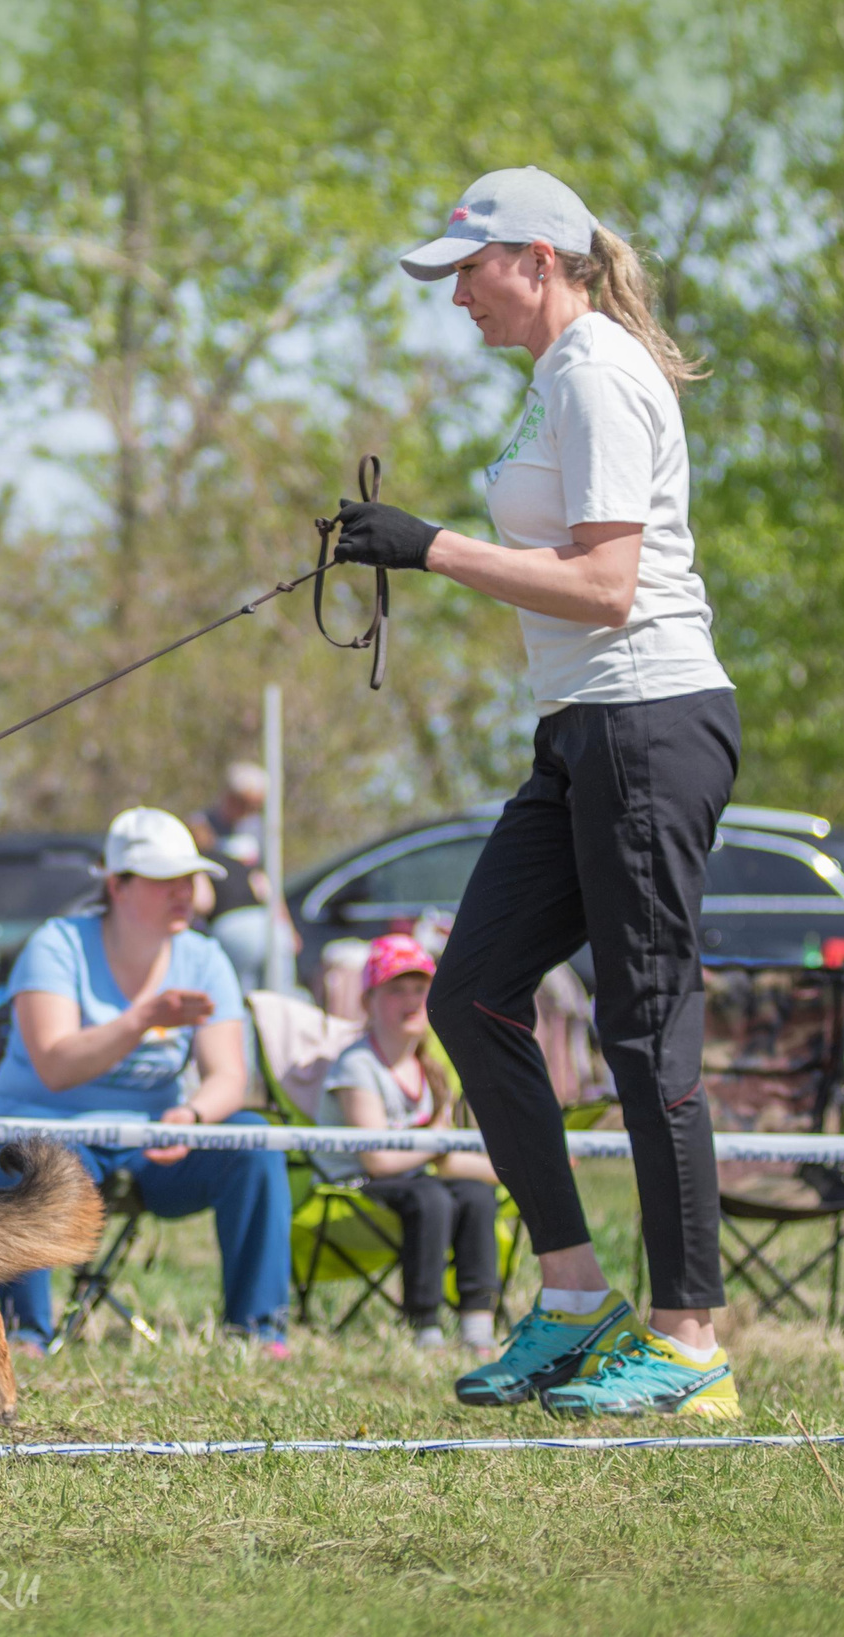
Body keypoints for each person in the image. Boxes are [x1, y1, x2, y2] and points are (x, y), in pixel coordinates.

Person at [338, 166, 741, 1417]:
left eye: (468, 268)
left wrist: (432, 547)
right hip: (579, 730)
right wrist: (424, 546)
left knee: (645, 1027)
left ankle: (691, 1344)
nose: (456, 294)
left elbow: (608, 588)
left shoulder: (596, 370)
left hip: (647, 718)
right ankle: (573, 1303)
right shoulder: (554, 375)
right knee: (470, 994)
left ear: (538, 259)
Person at [0, 807, 292, 1355]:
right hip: (45, 1132)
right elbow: (56, 1066)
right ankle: (25, 1333)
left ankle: (259, 1331)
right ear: (116, 885)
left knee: (253, 1140)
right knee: (33, 1151)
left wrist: (191, 1116)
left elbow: (228, 1076)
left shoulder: (205, 956)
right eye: (165, 879)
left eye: (190, 878)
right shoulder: (57, 944)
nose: (184, 892)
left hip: (153, 1145)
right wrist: (143, 1018)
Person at [314, 935, 500, 1352]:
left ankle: (477, 1319)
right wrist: (438, 1142)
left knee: (475, 1195)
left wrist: (520, 1172)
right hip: (352, 1187)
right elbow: (377, 1160)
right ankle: (424, 1321)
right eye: (396, 990)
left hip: (413, 1178)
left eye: (420, 989)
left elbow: (444, 1158)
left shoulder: (431, 1067)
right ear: (368, 1002)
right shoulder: (357, 1065)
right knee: (431, 1197)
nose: (412, 1001)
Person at [190, 762, 295, 993]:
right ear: (228, 796)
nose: (250, 811)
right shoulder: (200, 828)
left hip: (266, 923)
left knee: (278, 998)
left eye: (256, 805)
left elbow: (268, 881)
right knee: (239, 997)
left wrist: (287, 924)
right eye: (245, 803)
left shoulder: (257, 828)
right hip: (226, 924)